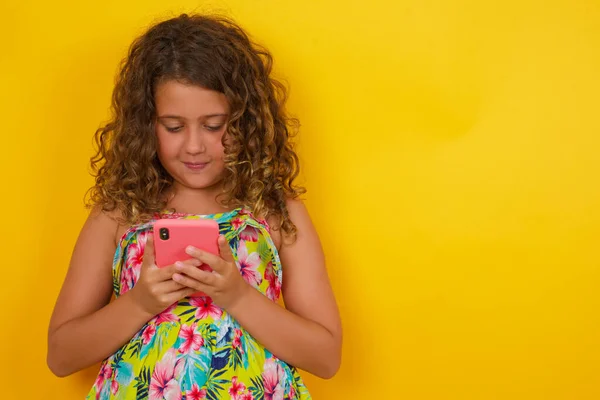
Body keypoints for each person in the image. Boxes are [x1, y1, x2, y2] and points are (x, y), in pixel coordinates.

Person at [46, 13, 342, 400]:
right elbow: (61, 355)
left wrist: (236, 295)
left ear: (245, 120)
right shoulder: (119, 213)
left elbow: (326, 357)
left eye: (214, 124)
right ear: (146, 125)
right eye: (173, 126)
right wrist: (141, 302)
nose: (194, 146)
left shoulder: (273, 211)